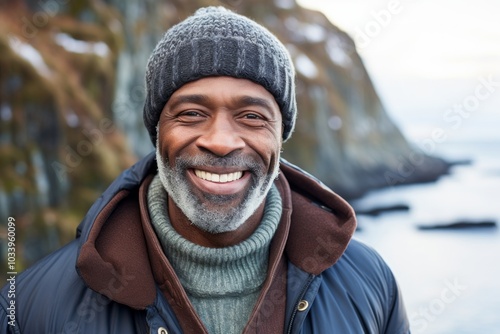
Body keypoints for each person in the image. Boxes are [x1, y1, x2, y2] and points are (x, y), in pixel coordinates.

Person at [1, 6, 410, 334]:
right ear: (156, 130)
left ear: (281, 135)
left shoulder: (371, 284)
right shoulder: (32, 308)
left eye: (251, 116)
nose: (221, 140)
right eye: (192, 113)